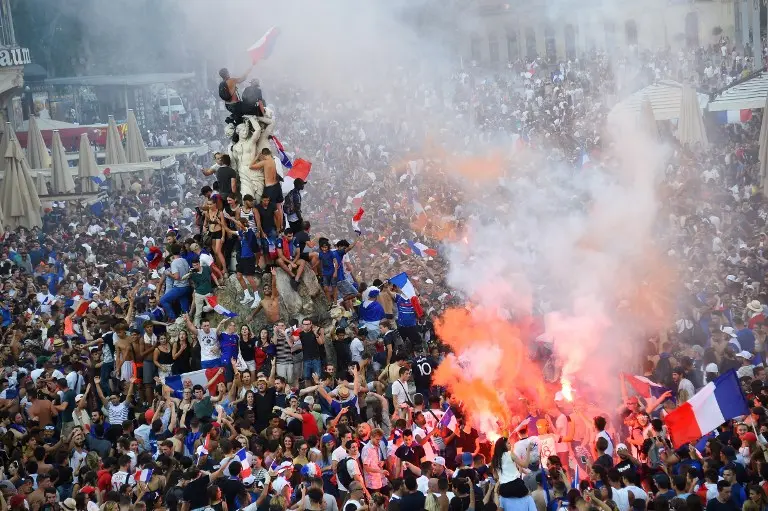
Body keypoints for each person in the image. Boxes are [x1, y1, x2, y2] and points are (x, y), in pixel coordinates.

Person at [491, 437, 536, 511]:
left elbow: (495, 476)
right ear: (503, 446)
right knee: (529, 497)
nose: (510, 445)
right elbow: (525, 465)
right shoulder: (510, 453)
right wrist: (528, 451)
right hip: (517, 485)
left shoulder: (495, 459)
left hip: (503, 489)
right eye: (508, 443)